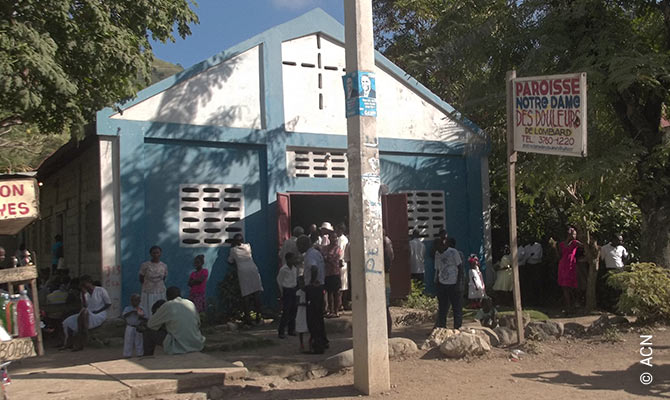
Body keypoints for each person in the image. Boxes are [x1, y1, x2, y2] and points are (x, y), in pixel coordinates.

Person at [143, 286, 206, 355]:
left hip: (177, 346)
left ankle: (147, 357)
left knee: (148, 332)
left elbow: (150, 324)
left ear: (167, 297)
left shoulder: (168, 305)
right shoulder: (190, 303)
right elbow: (198, 323)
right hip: (196, 343)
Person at [61, 275, 111, 351]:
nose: (84, 286)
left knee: (84, 313)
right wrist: (84, 295)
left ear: (89, 282)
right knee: (68, 321)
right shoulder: (84, 293)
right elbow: (84, 306)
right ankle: (69, 343)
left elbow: (108, 304)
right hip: (87, 314)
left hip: (99, 314)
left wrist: (98, 311)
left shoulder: (101, 290)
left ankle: (82, 339)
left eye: (84, 284)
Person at [228, 234, 264, 325]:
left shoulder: (233, 250)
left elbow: (230, 261)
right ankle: (258, 316)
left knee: (246, 295)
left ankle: (248, 318)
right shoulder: (248, 246)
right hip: (253, 270)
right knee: (256, 293)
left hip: (243, 272)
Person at [434, 237, 463, 329]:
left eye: (438, 247)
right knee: (442, 308)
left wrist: (459, 283)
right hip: (442, 284)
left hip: (453, 283)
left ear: (443, 245)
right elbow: (438, 269)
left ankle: (457, 327)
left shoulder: (453, 252)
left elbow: (460, 267)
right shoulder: (437, 254)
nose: (438, 250)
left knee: (456, 307)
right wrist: (437, 282)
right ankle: (442, 327)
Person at [598, 234, 629, 310]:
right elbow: (601, 259)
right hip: (610, 270)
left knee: (620, 289)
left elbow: (626, 257)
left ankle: (619, 307)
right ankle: (611, 307)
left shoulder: (621, 248)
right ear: (613, 239)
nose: (621, 242)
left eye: (621, 240)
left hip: (620, 269)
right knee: (612, 289)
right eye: (619, 240)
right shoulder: (605, 248)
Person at [558, 227, 583, 314]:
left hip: (571, 265)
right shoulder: (562, 244)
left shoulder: (575, 243)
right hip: (563, 266)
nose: (575, 236)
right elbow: (560, 254)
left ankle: (574, 304)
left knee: (573, 286)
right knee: (565, 287)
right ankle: (568, 306)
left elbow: (584, 246)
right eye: (574, 234)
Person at [139, 245, 168, 319]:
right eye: (154, 253)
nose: (156, 255)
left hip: (160, 290)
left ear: (160, 253)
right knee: (148, 307)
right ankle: (147, 321)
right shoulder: (145, 265)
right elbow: (141, 277)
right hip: (148, 291)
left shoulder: (164, 266)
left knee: (160, 307)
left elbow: (164, 277)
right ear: (150, 254)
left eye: (157, 253)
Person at [305, 266, 327, 354]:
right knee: (319, 322)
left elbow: (314, 268)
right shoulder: (320, 287)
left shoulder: (310, 288)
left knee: (313, 324)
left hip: (313, 302)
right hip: (318, 305)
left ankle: (317, 346)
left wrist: (310, 283)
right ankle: (321, 344)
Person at [322, 229, 343, 318]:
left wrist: (328, 258)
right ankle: (331, 310)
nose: (334, 239)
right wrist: (328, 258)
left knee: (336, 293)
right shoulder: (325, 248)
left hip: (335, 273)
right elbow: (324, 257)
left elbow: (335, 259)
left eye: (335, 237)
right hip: (327, 273)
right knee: (329, 292)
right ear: (329, 238)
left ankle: (336, 310)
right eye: (332, 237)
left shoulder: (338, 248)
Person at [277, 252, 299, 338]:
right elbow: (279, 280)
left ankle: (291, 329)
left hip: (293, 289)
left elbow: (295, 279)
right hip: (287, 290)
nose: (294, 260)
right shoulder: (283, 269)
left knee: (293, 310)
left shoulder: (294, 268)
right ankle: (281, 331)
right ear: (288, 259)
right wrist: (282, 291)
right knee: (286, 311)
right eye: (292, 258)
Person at [525, 241, 543, 305]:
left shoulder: (538, 246)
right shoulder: (527, 247)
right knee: (529, 283)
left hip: (536, 266)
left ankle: (538, 301)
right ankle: (531, 300)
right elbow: (526, 257)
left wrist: (530, 256)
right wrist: (531, 255)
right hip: (529, 266)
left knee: (537, 283)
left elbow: (537, 257)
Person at [335, 223, 349, 311]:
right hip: (340, 263)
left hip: (341, 263)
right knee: (341, 284)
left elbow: (340, 251)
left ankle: (340, 304)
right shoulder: (340, 238)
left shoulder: (343, 239)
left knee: (341, 285)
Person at [294, 276, 308, 351]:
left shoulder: (308, 291)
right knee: (300, 327)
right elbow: (297, 303)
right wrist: (304, 304)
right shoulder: (298, 292)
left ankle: (310, 341)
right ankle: (301, 343)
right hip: (301, 311)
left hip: (307, 311)